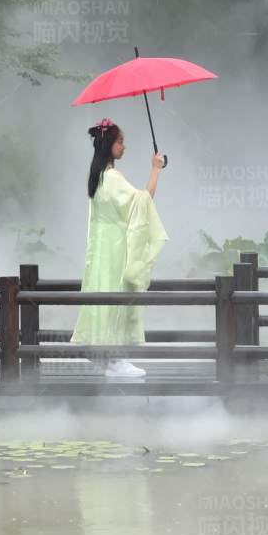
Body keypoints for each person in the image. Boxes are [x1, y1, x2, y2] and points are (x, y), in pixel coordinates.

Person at [70, 118, 168, 379]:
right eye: (120, 141)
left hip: (102, 246)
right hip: (114, 246)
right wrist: (156, 169)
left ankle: (107, 357)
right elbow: (141, 204)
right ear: (109, 145)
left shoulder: (98, 175)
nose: (124, 146)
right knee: (117, 296)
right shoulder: (112, 177)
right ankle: (114, 359)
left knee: (105, 293)